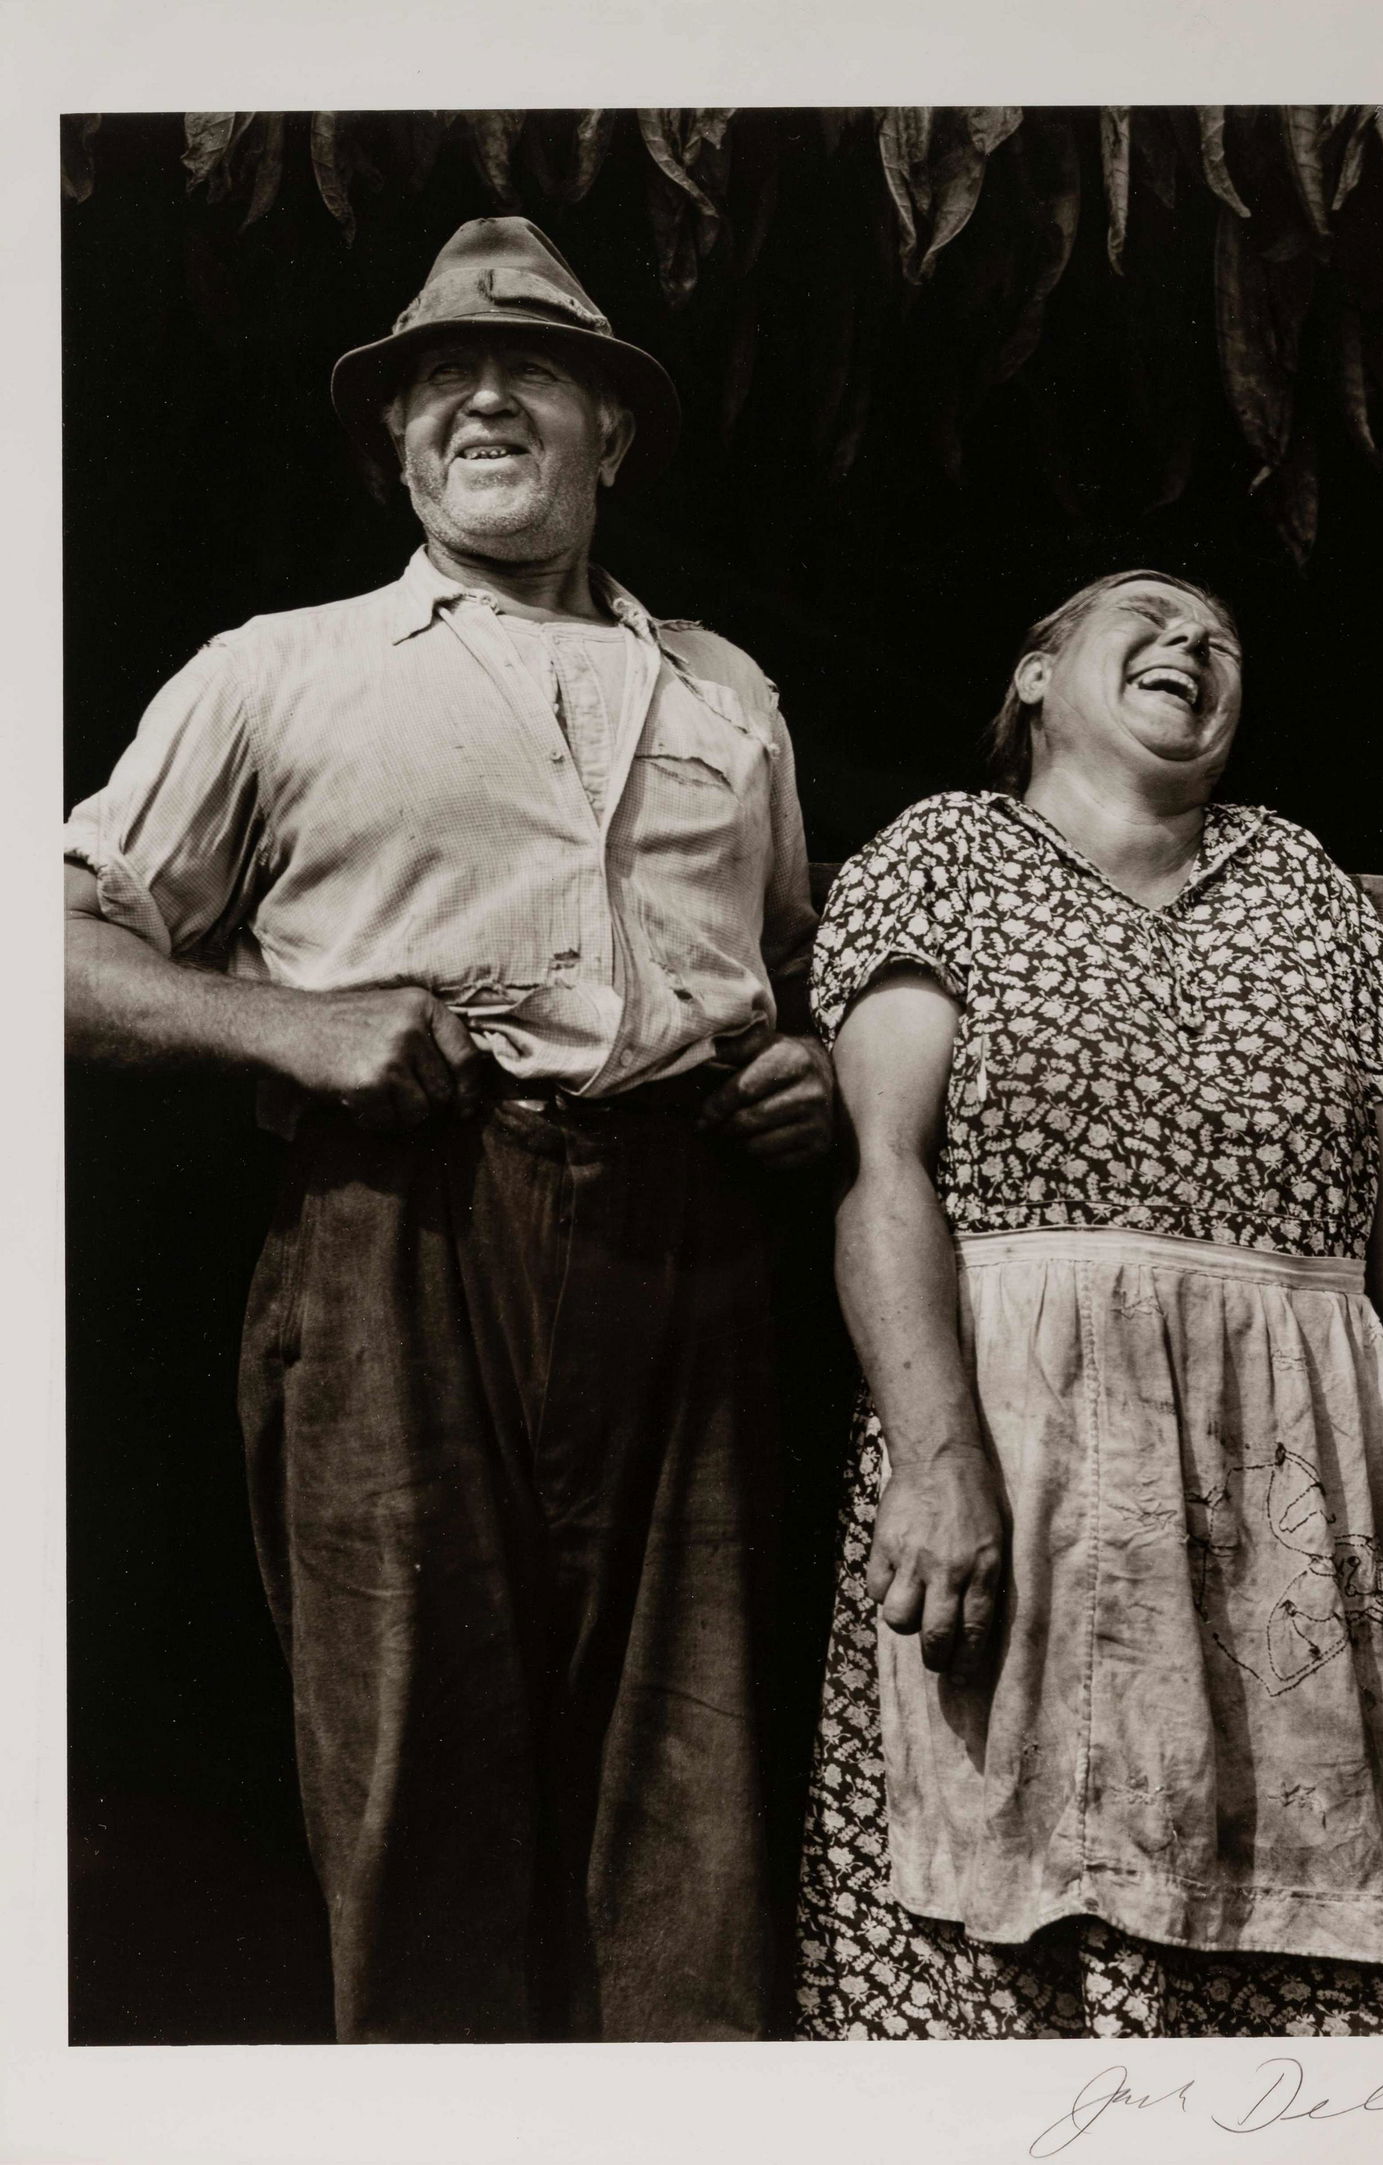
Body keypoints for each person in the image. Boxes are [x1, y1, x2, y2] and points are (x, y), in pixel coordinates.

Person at [63, 216, 833, 2044]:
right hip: (402, 1233)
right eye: (441, 382)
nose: (486, 398)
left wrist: (801, 1070)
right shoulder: (281, 668)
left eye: (535, 368)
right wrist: (286, 1025)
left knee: (697, 1803)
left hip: (687, 1244)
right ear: (400, 443)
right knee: (419, 1785)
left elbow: (787, 956)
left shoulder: (730, 691)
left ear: (610, 434)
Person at [792, 569, 1383, 2040]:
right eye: (1151, 613)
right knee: (998, 1935)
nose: (1195, 641)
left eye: (1224, 640)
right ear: (1038, 675)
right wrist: (937, 1460)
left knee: (1302, 1951)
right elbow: (885, 1170)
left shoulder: (1297, 876)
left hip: (1294, 1489)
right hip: (1021, 1460)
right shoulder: (947, 850)